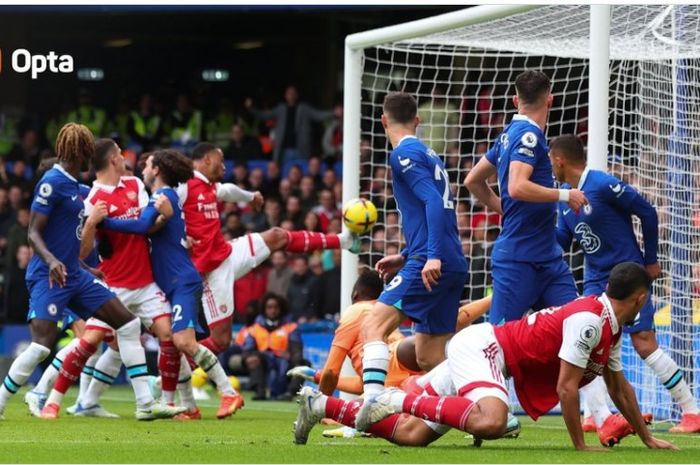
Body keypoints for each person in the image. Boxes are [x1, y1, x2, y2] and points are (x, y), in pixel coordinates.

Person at [295, 263, 678, 451]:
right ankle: (395, 397)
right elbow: (566, 388)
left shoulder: (607, 325)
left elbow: (619, 385)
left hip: (485, 355)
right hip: (484, 349)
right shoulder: (590, 322)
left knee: (412, 435)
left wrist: (648, 440)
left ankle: (320, 405)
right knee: (494, 420)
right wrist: (580, 447)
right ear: (640, 298)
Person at [0, 123, 182, 421]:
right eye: (87, 151)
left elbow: (69, 234)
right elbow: (33, 232)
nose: (91, 157)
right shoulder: (52, 182)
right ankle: (3, 400)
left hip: (76, 274)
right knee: (41, 346)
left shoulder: (78, 186)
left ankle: (145, 405)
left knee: (127, 324)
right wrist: (52, 261)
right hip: (49, 275)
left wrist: (85, 267)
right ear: (79, 151)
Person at [550, 134, 700, 434]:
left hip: (628, 275)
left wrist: (651, 259)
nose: (548, 166)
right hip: (595, 280)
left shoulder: (603, 184)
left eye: (549, 160)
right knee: (588, 342)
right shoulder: (564, 199)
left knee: (643, 342)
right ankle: (598, 414)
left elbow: (646, 211)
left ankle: (691, 412)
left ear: (559, 160)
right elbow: (562, 242)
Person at [95, 149, 245, 420]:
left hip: (181, 282)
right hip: (172, 281)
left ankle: (228, 391)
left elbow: (141, 226)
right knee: (173, 342)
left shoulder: (164, 196)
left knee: (183, 341)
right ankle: (187, 406)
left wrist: (103, 221)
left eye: (147, 165)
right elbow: (150, 229)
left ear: (157, 170)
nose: (142, 169)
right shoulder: (163, 198)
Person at [178, 142, 359, 355]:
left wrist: (251, 196)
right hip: (210, 273)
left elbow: (227, 191)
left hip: (228, 254)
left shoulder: (209, 186)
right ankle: (174, 373)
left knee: (277, 236)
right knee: (221, 341)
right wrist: (182, 237)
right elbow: (166, 211)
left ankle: (343, 241)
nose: (225, 167)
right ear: (207, 159)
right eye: (221, 160)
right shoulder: (183, 185)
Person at [356, 92, 468, 411]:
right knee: (429, 357)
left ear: (383, 121)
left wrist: (428, 256)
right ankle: (477, 405)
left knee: (372, 326)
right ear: (417, 121)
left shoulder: (403, 154)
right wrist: (405, 254)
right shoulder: (429, 154)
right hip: (451, 261)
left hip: (431, 262)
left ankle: (372, 407)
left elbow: (433, 202)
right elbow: (435, 209)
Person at [465, 70, 585, 325]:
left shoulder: (506, 135)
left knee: (577, 326)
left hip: (548, 259)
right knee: (499, 342)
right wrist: (566, 194)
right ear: (550, 100)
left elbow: (472, 181)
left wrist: (503, 208)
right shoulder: (528, 136)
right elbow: (517, 187)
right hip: (518, 260)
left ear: (514, 100)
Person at [245, 86, 335, 164]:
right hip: (283, 150)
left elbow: (318, 115)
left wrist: (333, 113)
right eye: (289, 93)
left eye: (293, 93)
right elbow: (264, 115)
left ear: (297, 95)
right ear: (285, 95)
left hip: (301, 149)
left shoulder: (304, 108)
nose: (291, 95)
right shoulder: (280, 109)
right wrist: (251, 109)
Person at [241, 293, 306, 400]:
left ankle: (290, 392)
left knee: (302, 364)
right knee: (254, 359)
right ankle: (260, 391)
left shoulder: (290, 327)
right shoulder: (255, 328)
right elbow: (247, 350)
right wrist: (248, 358)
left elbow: (297, 348)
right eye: (269, 307)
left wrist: (291, 356)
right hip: (263, 361)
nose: (273, 310)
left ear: (281, 309)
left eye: (276, 307)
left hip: (285, 361)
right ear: (264, 309)